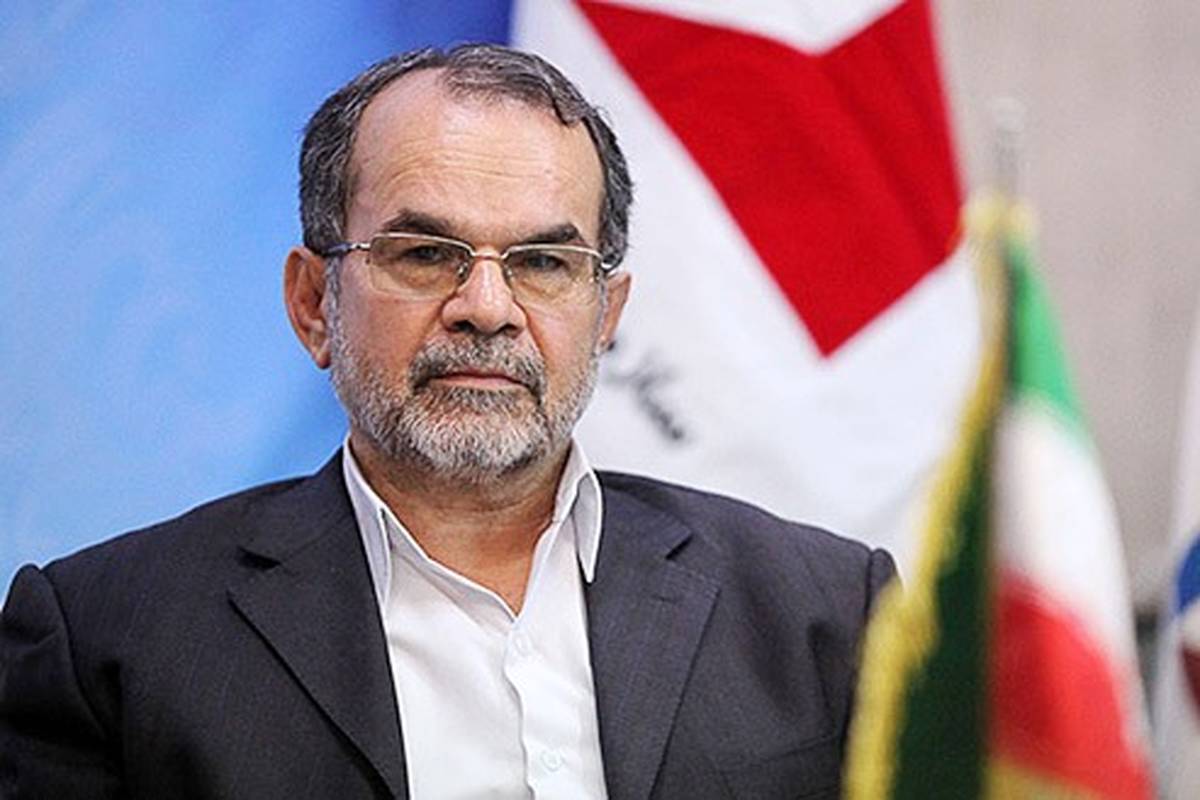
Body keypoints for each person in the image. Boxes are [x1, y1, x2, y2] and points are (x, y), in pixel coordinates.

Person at [0, 44, 895, 799]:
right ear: (313, 304)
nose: (487, 309)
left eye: (543, 262)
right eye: (426, 253)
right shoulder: (103, 642)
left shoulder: (825, 611)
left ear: (606, 316)